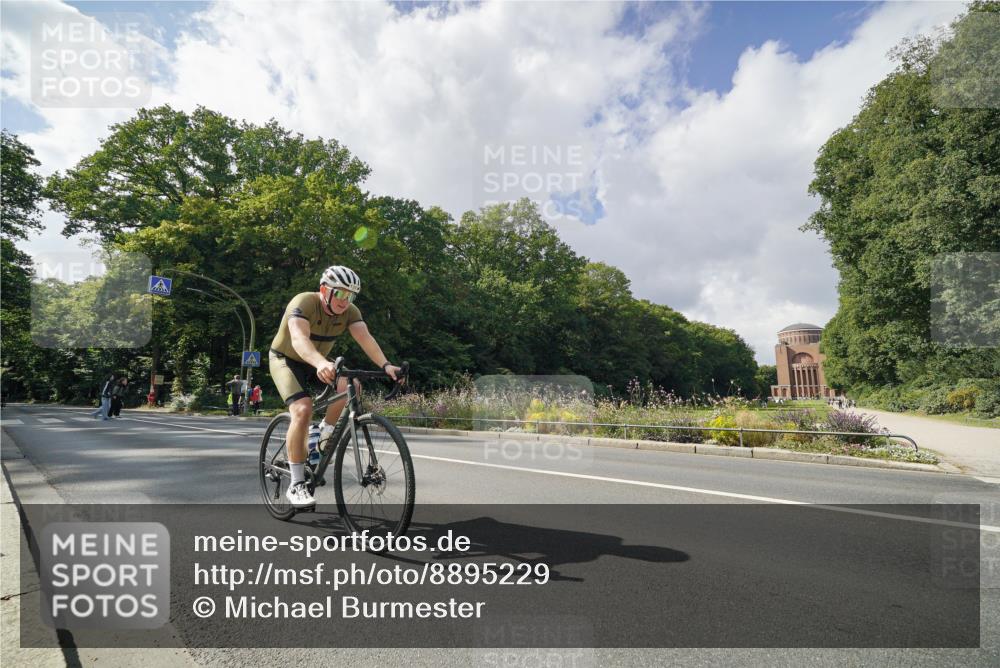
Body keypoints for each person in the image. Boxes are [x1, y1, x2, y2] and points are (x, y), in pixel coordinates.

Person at [269, 265, 401, 508]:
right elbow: (299, 339)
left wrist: (386, 365)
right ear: (324, 290)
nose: (345, 300)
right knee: (302, 409)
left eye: (350, 296)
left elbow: (366, 339)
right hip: (287, 359)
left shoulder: (350, 311)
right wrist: (320, 363)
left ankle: (324, 434)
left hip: (318, 360)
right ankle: (296, 484)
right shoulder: (304, 302)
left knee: (352, 386)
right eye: (339, 293)